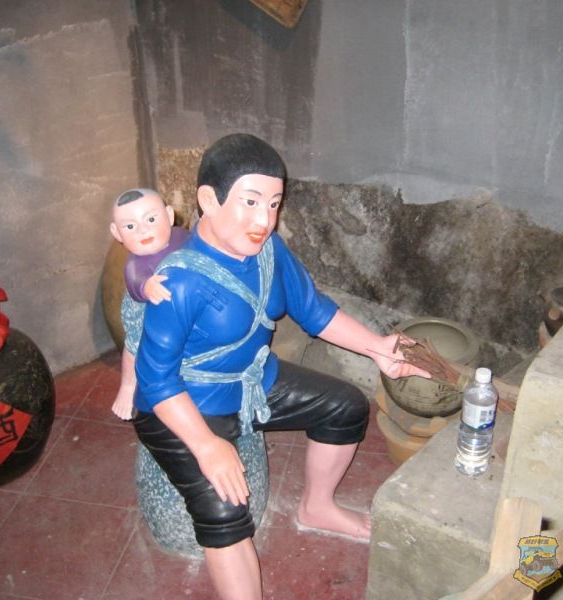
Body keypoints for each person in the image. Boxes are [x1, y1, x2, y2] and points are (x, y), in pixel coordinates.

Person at [130, 133, 428, 600]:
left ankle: (318, 507)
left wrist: (377, 348)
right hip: (184, 403)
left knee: (346, 407)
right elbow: (155, 380)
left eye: (273, 204)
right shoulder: (179, 282)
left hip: (253, 381)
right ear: (208, 200)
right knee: (225, 510)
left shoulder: (269, 250)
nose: (264, 220)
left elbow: (313, 310)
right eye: (250, 202)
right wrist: (206, 446)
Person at [108, 188, 188, 420]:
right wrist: (146, 286)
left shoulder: (181, 237)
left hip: (178, 303)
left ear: (169, 216)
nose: (142, 230)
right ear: (117, 232)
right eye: (130, 226)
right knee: (136, 345)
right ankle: (127, 385)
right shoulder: (136, 264)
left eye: (151, 220)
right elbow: (135, 281)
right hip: (143, 308)